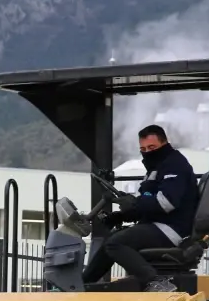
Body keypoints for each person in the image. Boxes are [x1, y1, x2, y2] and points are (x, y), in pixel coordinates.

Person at [82, 124, 199, 292]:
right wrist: (122, 215)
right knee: (112, 238)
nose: (147, 152)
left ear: (165, 143)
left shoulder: (175, 165)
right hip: (157, 225)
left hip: (172, 229)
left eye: (152, 147)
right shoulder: (156, 167)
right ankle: (82, 285)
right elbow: (149, 203)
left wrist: (135, 203)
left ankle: (155, 282)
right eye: (143, 149)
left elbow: (166, 203)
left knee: (116, 243)